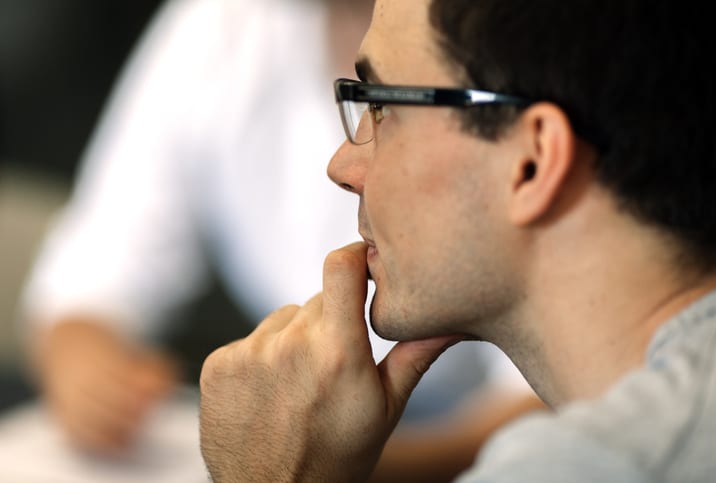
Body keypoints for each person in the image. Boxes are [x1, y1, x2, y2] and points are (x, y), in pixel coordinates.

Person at [197, 0, 716, 481]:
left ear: (531, 162)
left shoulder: (588, 467)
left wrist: (271, 474)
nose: (342, 167)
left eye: (381, 107)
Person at [18, 0, 540, 480]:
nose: (339, 166)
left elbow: (564, 391)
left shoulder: (506, 39)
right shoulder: (225, 24)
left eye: (387, 111)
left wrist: (320, 464)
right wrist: (88, 366)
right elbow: (94, 265)